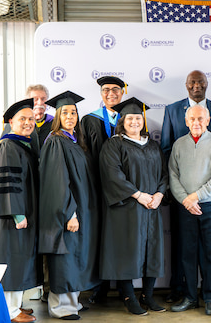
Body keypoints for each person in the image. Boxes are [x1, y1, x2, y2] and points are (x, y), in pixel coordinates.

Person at [160, 70, 211, 303]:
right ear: (185, 121)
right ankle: (189, 296)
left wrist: (195, 197)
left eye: (201, 119)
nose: (196, 122)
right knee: (187, 254)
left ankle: (210, 298)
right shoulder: (179, 144)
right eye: (192, 119)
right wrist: (185, 199)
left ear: (208, 120)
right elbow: (173, 174)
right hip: (185, 206)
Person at [99, 97, 168, 316]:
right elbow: (112, 175)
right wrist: (138, 195)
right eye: (130, 118)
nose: (135, 122)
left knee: (153, 250)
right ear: (122, 120)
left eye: (138, 118)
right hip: (126, 208)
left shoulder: (153, 145)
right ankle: (129, 296)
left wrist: (159, 194)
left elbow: (164, 174)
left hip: (151, 208)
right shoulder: (114, 144)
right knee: (126, 250)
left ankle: (147, 295)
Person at [39, 91, 101, 320]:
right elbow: (58, 183)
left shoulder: (74, 141)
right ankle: (61, 307)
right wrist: (69, 213)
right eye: (65, 112)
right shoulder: (55, 141)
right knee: (65, 257)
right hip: (68, 212)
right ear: (57, 116)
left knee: (76, 256)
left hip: (82, 210)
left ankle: (73, 302)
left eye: (73, 112)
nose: (70, 116)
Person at [0, 98, 41, 323]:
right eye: (22, 119)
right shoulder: (7, 146)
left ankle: (16, 305)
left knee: (21, 259)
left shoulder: (23, 144)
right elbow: (6, 184)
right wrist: (17, 214)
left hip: (22, 213)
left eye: (31, 119)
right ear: (10, 121)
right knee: (12, 260)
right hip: (12, 217)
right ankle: (9, 310)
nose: (27, 123)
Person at [80, 75, 127, 302]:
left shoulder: (130, 119)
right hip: (97, 189)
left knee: (120, 236)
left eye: (116, 89)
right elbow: (85, 155)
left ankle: (124, 284)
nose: (111, 93)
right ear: (101, 94)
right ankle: (100, 286)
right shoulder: (89, 120)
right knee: (99, 236)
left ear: (123, 92)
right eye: (106, 90)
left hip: (123, 190)